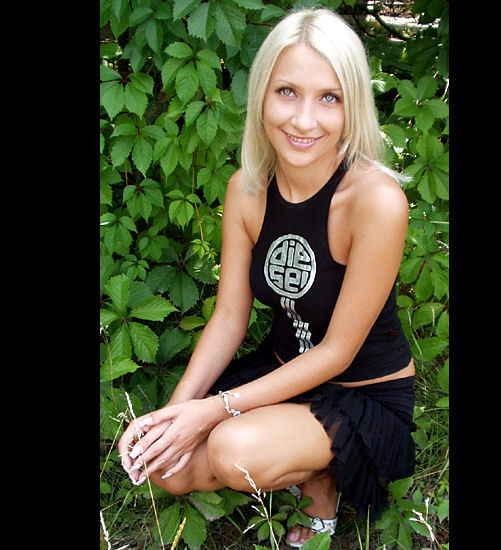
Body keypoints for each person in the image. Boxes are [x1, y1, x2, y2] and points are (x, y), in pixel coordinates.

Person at [118, 7, 416, 547]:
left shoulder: (376, 201)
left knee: (232, 449)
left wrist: (215, 410)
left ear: (353, 105)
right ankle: (287, 447)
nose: (303, 120)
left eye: (329, 98)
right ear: (261, 94)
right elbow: (230, 317)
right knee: (167, 467)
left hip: (361, 394)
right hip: (281, 373)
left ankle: (322, 480)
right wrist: (176, 414)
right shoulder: (247, 189)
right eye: (287, 92)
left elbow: (337, 353)